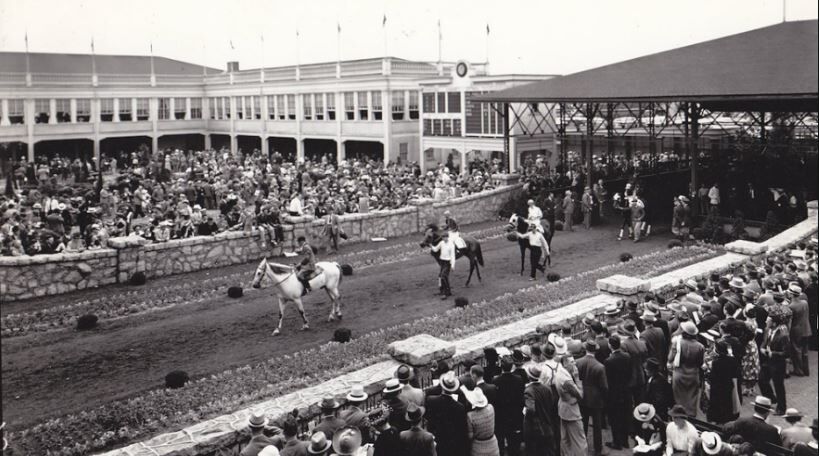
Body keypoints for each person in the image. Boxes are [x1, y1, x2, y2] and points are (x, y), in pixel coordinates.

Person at [424, 373, 468, 456]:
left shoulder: (431, 400)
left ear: (442, 387)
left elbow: (427, 417)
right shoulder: (460, 407)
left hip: (437, 438)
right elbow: (461, 427)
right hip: (452, 441)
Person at [576, 340, 607, 456]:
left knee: (582, 424)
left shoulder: (578, 362)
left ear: (585, 349)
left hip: (582, 397)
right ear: (595, 351)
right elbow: (604, 386)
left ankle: (581, 447)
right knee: (597, 426)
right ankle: (598, 449)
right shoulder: (600, 366)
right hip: (596, 399)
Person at [667, 321, 704, 416]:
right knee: (692, 397)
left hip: (679, 373)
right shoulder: (700, 346)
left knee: (678, 397)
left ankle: (679, 414)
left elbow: (670, 358)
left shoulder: (677, 343)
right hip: (693, 374)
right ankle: (691, 415)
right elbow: (700, 363)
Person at [758, 305, 790, 414]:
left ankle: (781, 408)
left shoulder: (783, 335)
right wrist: (762, 348)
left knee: (778, 386)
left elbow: (787, 353)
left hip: (778, 364)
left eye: (768, 320)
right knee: (762, 380)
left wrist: (773, 353)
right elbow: (765, 341)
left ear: (774, 323)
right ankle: (771, 398)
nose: (766, 321)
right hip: (767, 361)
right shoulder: (767, 329)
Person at [492, 355, 525, 456]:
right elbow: (521, 398)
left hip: (501, 415)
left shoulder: (496, 380)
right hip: (514, 414)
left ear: (501, 366)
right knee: (514, 442)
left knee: (501, 441)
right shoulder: (519, 379)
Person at [604, 335, 632, 450]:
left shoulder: (608, 361)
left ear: (610, 345)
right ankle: (625, 441)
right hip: (626, 391)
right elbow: (630, 373)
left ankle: (617, 442)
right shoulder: (627, 356)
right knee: (625, 416)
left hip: (614, 394)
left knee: (615, 418)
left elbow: (608, 379)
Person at [522, 365, 557, 456]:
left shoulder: (529, 390)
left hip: (534, 427)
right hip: (547, 424)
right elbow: (551, 403)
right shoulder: (547, 388)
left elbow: (530, 409)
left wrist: (525, 411)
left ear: (529, 376)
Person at [705, 340, 740, 424]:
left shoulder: (716, 362)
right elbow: (736, 374)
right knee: (727, 402)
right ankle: (726, 418)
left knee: (717, 403)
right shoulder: (733, 360)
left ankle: (717, 419)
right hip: (728, 385)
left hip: (717, 386)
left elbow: (712, 376)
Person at [464, 387, 499, 456]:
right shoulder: (491, 407)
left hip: (478, 447)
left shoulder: (470, 415)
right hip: (493, 444)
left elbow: (470, 436)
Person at [787, 283, 811, 377]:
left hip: (796, 330)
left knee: (796, 350)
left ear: (792, 294)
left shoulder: (791, 306)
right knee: (805, 351)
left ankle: (799, 370)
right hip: (806, 328)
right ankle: (806, 370)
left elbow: (790, 322)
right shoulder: (804, 303)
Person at [429, 230, 456, 300]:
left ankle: (445, 293)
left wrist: (452, 265)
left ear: (448, 237)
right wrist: (431, 246)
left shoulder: (451, 245)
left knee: (443, 276)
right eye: (443, 237)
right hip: (442, 262)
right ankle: (447, 291)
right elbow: (436, 249)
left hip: (447, 262)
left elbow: (453, 256)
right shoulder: (441, 243)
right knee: (442, 276)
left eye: (446, 237)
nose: (444, 239)